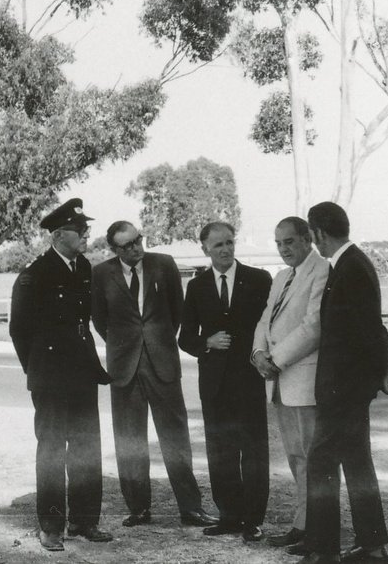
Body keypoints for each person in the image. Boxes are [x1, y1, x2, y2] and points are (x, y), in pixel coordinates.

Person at [91, 220, 218, 529]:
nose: (136, 248)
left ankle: (191, 509)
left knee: (176, 439)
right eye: (127, 245)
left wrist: (156, 341)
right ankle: (138, 508)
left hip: (162, 364)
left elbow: (178, 312)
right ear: (114, 250)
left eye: (138, 240)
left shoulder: (164, 264)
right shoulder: (101, 273)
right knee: (129, 440)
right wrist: (126, 346)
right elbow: (99, 319)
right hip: (124, 369)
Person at [9, 198, 113, 552]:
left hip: (83, 373)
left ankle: (85, 520)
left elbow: (85, 320)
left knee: (86, 448)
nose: (86, 235)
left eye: (86, 229)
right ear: (58, 235)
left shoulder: (83, 267)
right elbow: (19, 330)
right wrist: (37, 368)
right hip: (51, 377)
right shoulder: (34, 274)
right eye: (79, 230)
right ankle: (51, 526)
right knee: (52, 451)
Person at [292, 202, 388, 564]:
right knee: (356, 461)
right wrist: (382, 368)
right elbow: (373, 328)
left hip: (345, 390)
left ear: (318, 233)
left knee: (321, 462)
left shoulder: (351, 268)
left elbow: (370, 330)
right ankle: (372, 546)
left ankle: (323, 551)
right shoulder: (352, 265)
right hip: (349, 387)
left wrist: (377, 372)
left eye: (312, 234)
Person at [178, 221, 272, 543]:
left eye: (229, 242)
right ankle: (229, 516)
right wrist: (207, 341)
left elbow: (269, 326)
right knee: (221, 453)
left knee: (254, 453)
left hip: (248, 381)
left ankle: (253, 520)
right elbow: (185, 337)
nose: (225, 249)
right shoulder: (197, 286)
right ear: (204, 249)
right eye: (217, 245)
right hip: (214, 385)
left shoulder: (259, 280)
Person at [250, 217, 329, 549]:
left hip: (303, 378)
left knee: (312, 458)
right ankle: (304, 524)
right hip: (279, 381)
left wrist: (276, 360)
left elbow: (314, 326)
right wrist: (257, 352)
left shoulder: (322, 270)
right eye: (279, 243)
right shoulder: (281, 276)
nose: (283, 249)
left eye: (290, 242)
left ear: (307, 239)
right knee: (296, 456)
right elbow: (265, 318)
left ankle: (318, 529)